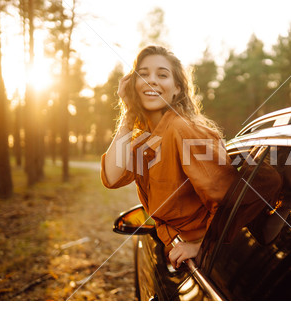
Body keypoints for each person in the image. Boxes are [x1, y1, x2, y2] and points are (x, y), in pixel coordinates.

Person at [101, 46, 238, 269]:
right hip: (179, 254)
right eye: (143, 75)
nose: (151, 80)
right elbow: (112, 177)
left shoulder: (184, 130)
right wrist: (128, 112)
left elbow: (232, 202)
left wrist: (203, 245)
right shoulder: (146, 139)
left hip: (213, 262)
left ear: (176, 89)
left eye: (162, 75)